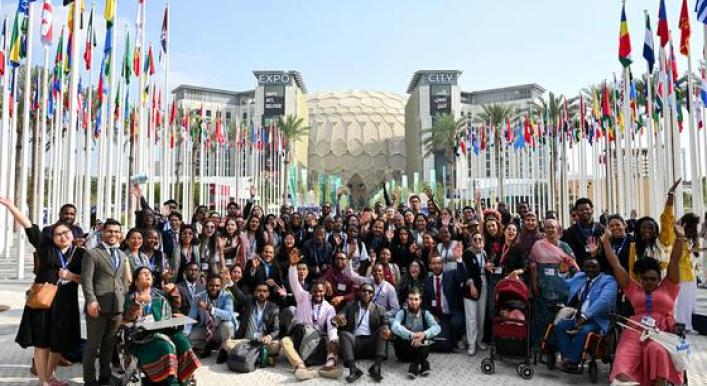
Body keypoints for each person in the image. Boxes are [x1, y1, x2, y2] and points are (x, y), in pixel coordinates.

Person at [1, 197, 84, 386]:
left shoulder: (81, 254)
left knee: (58, 343)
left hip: (65, 303)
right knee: (42, 342)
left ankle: (50, 375)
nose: (62, 236)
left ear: (72, 234)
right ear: (52, 238)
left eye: (66, 233)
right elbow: (29, 226)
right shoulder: (46, 248)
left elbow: (86, 279)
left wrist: (71, 276)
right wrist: (11, 206)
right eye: (58, 234)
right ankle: (42, 381)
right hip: (43, 301)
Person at [603, 223, 685, 386]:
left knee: (657, 350)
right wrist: (606, 242)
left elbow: (674, 261)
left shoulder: (669, 287)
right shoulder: (633, 288)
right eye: (645, 279)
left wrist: (680, 238)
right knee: (624, 357)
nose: (649, 282)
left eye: (653, 279)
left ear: (660, 278)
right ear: (639, 278)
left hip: (662, 332)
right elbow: (616, 265)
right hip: (635, 330)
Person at [123, 267, 200, 385]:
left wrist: (177, 316)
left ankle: (185, 378)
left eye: (149, 273)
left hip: (163, 331)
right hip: (141, 337)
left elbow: (170, 312)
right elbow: (128, 318)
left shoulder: (159, 296)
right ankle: (172, 381)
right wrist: (138, 303)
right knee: (165, 346)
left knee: (182, 340)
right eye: (144, 274)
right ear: (136, 281)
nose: (148, 275)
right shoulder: (130, 298)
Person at [81, 218, 128, 386]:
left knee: (109, 345)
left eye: (116, 231)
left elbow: (123, 281)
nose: (113, 234)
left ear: (120, 234)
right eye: (110, 231)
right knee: (92, 347)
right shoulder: (92, 253)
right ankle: (90, 381)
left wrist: (126, 301)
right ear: (103, 232)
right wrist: (91, 301)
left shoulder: (122, 254)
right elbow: (86, 281)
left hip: (117, 307)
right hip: (98, 307)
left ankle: (105, 377)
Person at [281, 249, 339, 380]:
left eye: (320, 291)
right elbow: (294, 282)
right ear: (311, 291)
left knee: (333, 339)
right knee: (285, 341)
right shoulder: (303, 296)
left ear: (324, 292)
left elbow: (331, 328)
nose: (317, 294)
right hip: (299, 337)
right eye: (315, 291)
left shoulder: (329, 308)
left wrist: (333, 341)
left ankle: (329, 366)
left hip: (316, 341)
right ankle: (300, 367)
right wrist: (292, 266)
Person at [552, 257, 617, 373]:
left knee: (584, 331)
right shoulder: (580, 276)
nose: (590, 269)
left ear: (600, 268)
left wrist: (586, 316)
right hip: (578, 316)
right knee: (560, 326)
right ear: (583, 268)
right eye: (587, 266)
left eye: (594, 266)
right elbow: (560, 288)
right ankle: (569, 360)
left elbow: (604, 300)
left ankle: (571, 361)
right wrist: (562, 273)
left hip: (597, 319)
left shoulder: (609, 281)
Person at [529, 219, 579, 353]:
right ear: (543, 230)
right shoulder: (538, 245)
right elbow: (533, 266)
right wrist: (534, 284)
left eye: (553, 227)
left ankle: (556, 349)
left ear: (559, 229)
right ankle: (541, 348)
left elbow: (574, 268)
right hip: (543, 288)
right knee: (542, 319)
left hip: (561, 290)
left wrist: (566, 270)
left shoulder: (564, 247)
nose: (551, 230)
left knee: (558, 320)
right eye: (547, 227)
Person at [332, 283, 391, 383]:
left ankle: (376, 367)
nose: (366, 293)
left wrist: (389, 333)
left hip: (372, 343)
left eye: (370, 292)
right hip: (355, 344)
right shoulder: (350, 306)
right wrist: (336, 319)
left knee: (384, 328)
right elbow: (337, 318)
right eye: (364, 291)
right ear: (359, 292)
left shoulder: (380, 309)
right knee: (343, 334)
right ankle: (353, 369)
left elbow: (385, 325)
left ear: (373, 294)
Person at [222, 283, 281, 363]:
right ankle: (261, 356)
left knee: (276, 345)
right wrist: (230, 282)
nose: (261, 293)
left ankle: (247, 355)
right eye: (259, 291)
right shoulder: (249, 302)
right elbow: (239, 295)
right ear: (255, 293)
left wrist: (269, 337)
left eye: (264, 291)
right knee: (227, 344)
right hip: (247, 341)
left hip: (262, 343)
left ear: (268, 294)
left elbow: (276, 329)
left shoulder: (274, 308)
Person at [391, 287, 441, 379]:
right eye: (411, 299)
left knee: (427, 337)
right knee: (399, 335)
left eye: (416, 299)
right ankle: (424, 363)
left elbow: (437, 327)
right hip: (404, 352)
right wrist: (412, 335)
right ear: (407, 300)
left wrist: (423, 335)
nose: (413, 302)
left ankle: (414, 365)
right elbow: (395, 326)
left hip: (420, 348)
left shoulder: (425, 313)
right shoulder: (402, 313)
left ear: (420, 300)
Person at [423, 254, 467, 352]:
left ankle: (457, 340)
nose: (436, 266)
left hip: (451, 312)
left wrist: (459, 260)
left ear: (442, 265)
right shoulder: (427, 281)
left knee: (455, 323)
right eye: (433, 263)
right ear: (430, 265)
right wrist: (431, 315)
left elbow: (462, 277)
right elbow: (425, 302)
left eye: (439, 263)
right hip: (437, 314)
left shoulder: (451, 275)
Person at [186, 274, 236, 358]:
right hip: (206, 329)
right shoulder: (198, 297)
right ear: (206, 284)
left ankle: (225, 349)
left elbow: (228, 316)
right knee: (189, 339)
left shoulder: (227, 296)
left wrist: (210, 308)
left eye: (217, 286)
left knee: (228, 325)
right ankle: (211, 345)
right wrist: (186, 333)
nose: (214, 288)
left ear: (221, 286)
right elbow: (191, 317)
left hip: (221, 330)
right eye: (211, 285)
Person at [461, 232, 487, 355]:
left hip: (484, 285)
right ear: (471, 241)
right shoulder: (466, 254)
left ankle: (479, 340)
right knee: (471, 317)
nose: (477, 241)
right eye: (475, 239)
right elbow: (464, 271)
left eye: (479, 239)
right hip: (471, 287)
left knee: (481, 315)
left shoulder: (484, 253)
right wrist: (471, 285)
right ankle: (471, 343)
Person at [562, 198, 605, 267]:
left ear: (592, 210)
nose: (585, 211)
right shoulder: (570, 231)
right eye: (581, 210)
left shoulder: (601, 228)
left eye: (587, 209)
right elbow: (570, 253)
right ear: (577, 212)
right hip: (580, 269)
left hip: (600, 268)